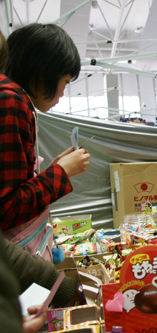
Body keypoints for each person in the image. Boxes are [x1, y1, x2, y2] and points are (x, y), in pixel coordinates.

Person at [0, 24, 91, 261]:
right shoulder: (11, 101)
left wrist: (53, 171)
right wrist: (61, 173)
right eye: (65, 82)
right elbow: (7, 209)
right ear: (42, 75)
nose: (62, 93)